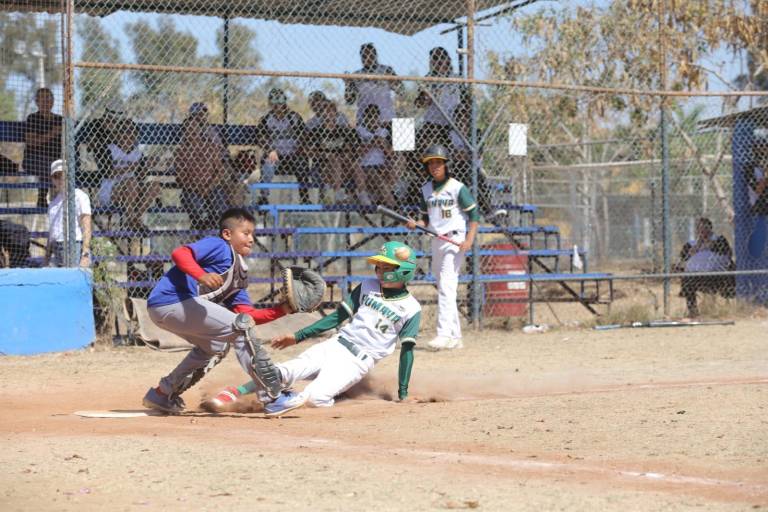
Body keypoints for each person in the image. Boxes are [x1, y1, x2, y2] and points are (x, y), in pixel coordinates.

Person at [202, 240, 422, 417]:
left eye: (386, 268)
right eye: (378, 266)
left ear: (403, 271)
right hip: (335, 344)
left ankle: (307, 395)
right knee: (285, 371)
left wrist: (403, 393)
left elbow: (407, 351)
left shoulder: (411, 308)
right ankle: (235, 392)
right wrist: (298, 336)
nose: (379, 272)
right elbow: (336, 318)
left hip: (358, 361)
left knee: (316, 398)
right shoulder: (367, 286)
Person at [141, 207, 295, 414]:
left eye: (253, 234)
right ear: (227, 234)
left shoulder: (239, 274)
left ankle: (162, 393)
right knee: (241, 328)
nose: (251, 239)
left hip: (174, 309)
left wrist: (283, 309)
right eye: (245, 233)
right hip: (171, 301)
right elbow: (180, 253)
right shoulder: (219, 246)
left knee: (216, 346)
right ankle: (272, 397)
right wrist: (201, 275)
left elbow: (247, 316)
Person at [405, 144, 479, 350]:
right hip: (437, 240)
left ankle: (444, 334)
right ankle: (455, 336)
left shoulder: (457, 187)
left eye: (438, 163)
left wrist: (469, 240)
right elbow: (425, 221)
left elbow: (474, 215)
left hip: (454, 240)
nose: (434, 167)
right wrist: (415, 224)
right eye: (430, 164)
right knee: (445, 286)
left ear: (446, 165)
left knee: (446, 285)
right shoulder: (426, 189)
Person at [174, 102, 231, 230]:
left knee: (220, 205)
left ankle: (213, 226)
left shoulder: (210, 146)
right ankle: (200, 226)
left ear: (200, 131)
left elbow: (220, 170)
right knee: (191, 201)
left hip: (211, 186)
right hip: (192, 189)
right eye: (188, 129)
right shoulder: (181, 151)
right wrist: (197, 188)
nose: (191, 131)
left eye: (194, 128)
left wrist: (208, 186)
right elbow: (180, 178)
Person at [97, 119, 161, 231]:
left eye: (132, 131)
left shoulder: (137, 153)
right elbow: (108, 173)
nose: (128, 134)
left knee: (154, 185)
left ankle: (134, 219)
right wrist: (131, 167)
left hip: (132, 192)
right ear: (117, 134)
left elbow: (141, 177)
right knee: (131, 182)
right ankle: (131, 218)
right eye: (124, 131)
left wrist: (147, 166)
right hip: (111, 191)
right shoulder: (109, 149)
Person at [254, 88, 309, 204]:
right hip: (275, 155)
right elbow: (261, 139)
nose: (277, 106)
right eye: (274, 102)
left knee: (302, 162)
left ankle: (304, 197)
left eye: (280, 102)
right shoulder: (266, 119)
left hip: (293, 154)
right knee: (268, 166)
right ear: (270, 104)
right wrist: (270, 150)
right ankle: (264, 197)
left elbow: (303, 137)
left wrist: (300, 148)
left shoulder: (294, 117)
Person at [673, 217, 735, 318]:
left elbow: (727, 253)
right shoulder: (690, 244)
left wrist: (704, 244)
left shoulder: (719, 240)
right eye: (699, 228)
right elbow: (681, 261)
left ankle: (728, 310)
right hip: (697, 276)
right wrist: (694, 249)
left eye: (705, 227)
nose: (703, 230)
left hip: (717, 275)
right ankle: (693, 311)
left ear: (711, 228)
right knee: (687, 280)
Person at [414, 47, 467, 152]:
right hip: (433, 124)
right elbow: (419, 104)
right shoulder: (428, 78)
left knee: (452, 151)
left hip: (453, 123)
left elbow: (465, 99)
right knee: (429, 150)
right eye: (434, 58)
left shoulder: (456, 77)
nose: (438, 61)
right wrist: (427, 96)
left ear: (448, 60)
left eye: (441, 57)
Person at [303, 98, 355, 203]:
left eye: (332, 111)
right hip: (321, 167)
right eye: (326, 112)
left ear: (336, 114)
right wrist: (323, 154)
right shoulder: (316, 131)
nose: (329, 114)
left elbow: (349, 150)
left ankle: (359, 197)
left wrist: (343, 155)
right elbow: (308, 151)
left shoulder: (342, 130)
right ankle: (337, 194)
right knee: (334, 158)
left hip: (342, 167)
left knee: (354, 165)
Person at [45, 160, 92, 268]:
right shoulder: (53, 203)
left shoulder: (79, 196)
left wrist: (85, 254)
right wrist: (46, 257)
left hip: (74, 245)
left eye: (63, 175)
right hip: (56, 247)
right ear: (52, 179)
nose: (60, 179)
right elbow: (51, 233)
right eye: (56, 176)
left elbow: (87, 225)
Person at [344, 43, 402, 127]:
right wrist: (348, 84)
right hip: (365, 120)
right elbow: (349, 101)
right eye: (364, 56)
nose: (368, 58)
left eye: (371, 55)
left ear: (376, 55)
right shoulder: (356, 75)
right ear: (361, 58)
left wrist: (391, 80)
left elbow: (401, 91)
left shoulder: (386, 70)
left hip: (386, 118)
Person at [23, 88, 62, 208]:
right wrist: (52, 133)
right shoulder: (32, 118)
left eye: (49, 98)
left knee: (59, 166)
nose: (46, 101)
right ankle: (43, 197)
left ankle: (58, 201)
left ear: (53, 101)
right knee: (50, 166)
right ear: (37, 102)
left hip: (55, 160)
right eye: (43, 99)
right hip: (33, 159)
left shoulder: (59, 119)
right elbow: (31, 142)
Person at [354, 104, 396, 207]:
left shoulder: (384, 132)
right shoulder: (359, 131)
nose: (372, 119)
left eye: (375, 116)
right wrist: (372, 143)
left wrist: (382, 145)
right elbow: (357, 153)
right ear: (365, 118)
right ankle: (392, 204)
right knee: (373, 174)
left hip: (382, 165)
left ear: (378, 118)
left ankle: (383, 198)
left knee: (392, 169)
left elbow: (391, 155)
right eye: (369, 116)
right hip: (365, 166)